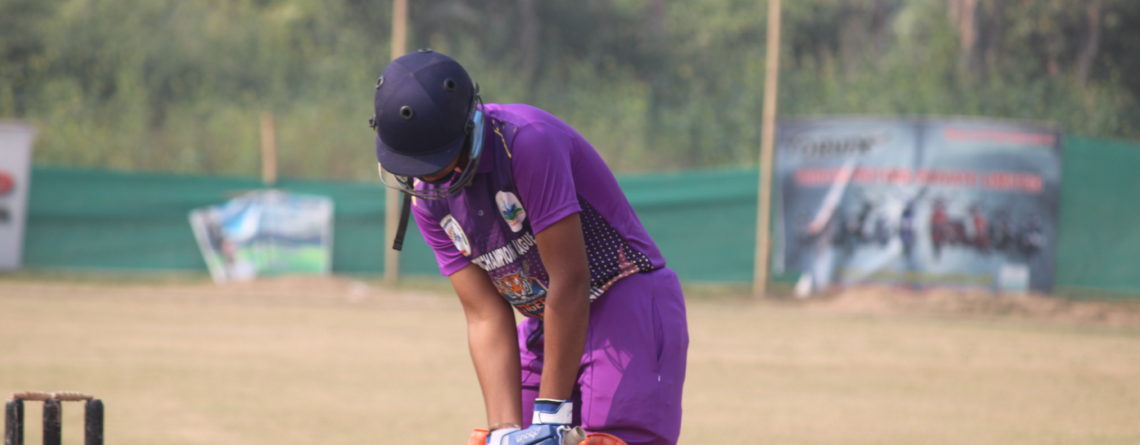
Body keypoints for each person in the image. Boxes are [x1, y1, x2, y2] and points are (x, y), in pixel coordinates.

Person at [369, 50, 688, 445]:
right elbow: (484, 314)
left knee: (608, 438)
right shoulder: (427, 199)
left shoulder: (526, 143)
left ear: (469, 127)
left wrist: (551, 414)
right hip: (547, 322)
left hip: (623, 300)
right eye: (417, 169)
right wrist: (504, 432)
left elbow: (570, 278)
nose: (434, 179)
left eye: (441, 162)